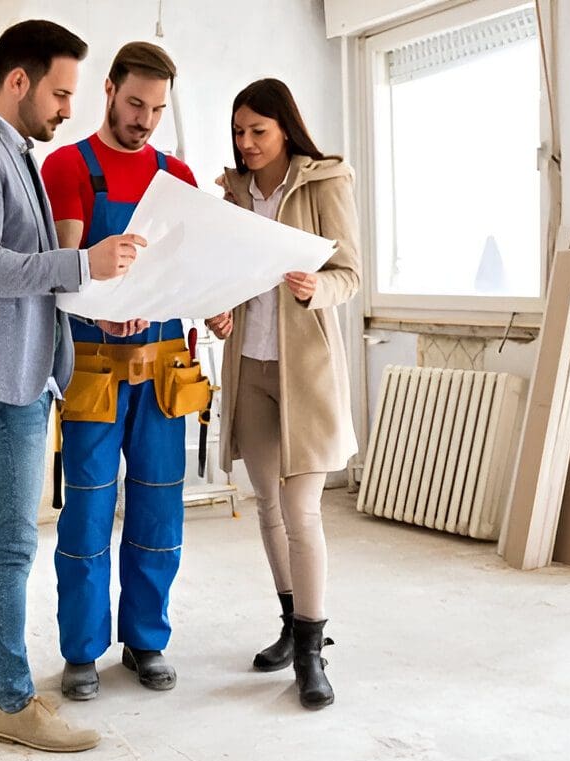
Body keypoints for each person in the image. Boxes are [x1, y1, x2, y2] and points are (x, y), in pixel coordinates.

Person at [0, 19, 146, 752]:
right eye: (59, 92)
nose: (67, 109)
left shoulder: (11, 149)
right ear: (17, 81)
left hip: (14, 373)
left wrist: (94, 296)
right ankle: (15, 705)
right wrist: (83, 263)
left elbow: (30, 269)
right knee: (14, 545)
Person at [41, 41, 205, 701]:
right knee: (87, 511)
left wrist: (212, 311)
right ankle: (83, 650)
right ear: (108, 90)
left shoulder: (180, 178)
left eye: (158, 108)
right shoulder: (67, 167)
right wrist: (104, 318)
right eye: (135, 103)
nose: (144, 119)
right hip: (93, 367)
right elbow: (64, 272)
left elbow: (192, 271)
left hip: (165, 366)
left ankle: (147, 640)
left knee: (160, 509)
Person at [206, 78, 360, 710]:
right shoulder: (233, 194)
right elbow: (224, 277)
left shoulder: (324, 183)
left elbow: (348, 274)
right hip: (251, 369)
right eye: (239, 133)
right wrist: (219, 313)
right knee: (267, 508)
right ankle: (290, 625)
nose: (246, 144)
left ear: (285, 128)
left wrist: (313, 290)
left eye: (258, 132)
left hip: (307, 376)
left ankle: (310, 653)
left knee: (303, 513)